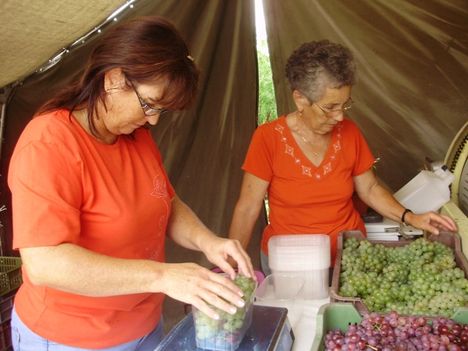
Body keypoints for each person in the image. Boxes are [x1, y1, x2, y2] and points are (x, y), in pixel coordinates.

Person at [8, 16, 255, 351]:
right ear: (113, 80)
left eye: (161, 110)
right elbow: (45, 264)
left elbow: (165, 201)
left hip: (144, 328)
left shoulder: (136, 137)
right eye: (149, 104)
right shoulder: (49, 144)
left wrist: (209, 242)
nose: (153, 119)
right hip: (72, 338)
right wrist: (163, 276)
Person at [228, 40, 457, 276]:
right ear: (300, 99)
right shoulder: (268, 139)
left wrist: (410, 217)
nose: (339, 117)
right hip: (291, 264)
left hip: (349, 258)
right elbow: (248, 207)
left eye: (344, 105)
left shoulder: (350, 133)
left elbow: (369, 188)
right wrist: (232, 266)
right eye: (330, 107)